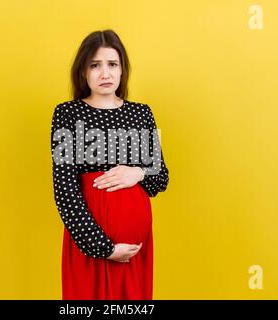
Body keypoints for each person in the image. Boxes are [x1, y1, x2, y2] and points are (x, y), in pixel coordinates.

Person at [50, 29, 169, 300]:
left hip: (134, 250)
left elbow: (160, 177)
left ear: (122, 69)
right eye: (95, 65)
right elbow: (65, 191)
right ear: (83, 71)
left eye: (112, 64)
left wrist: (137, 172)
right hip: (89, 246)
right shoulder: (67, 114)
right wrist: (103, 247)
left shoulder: (141, 113)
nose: (105, 73)